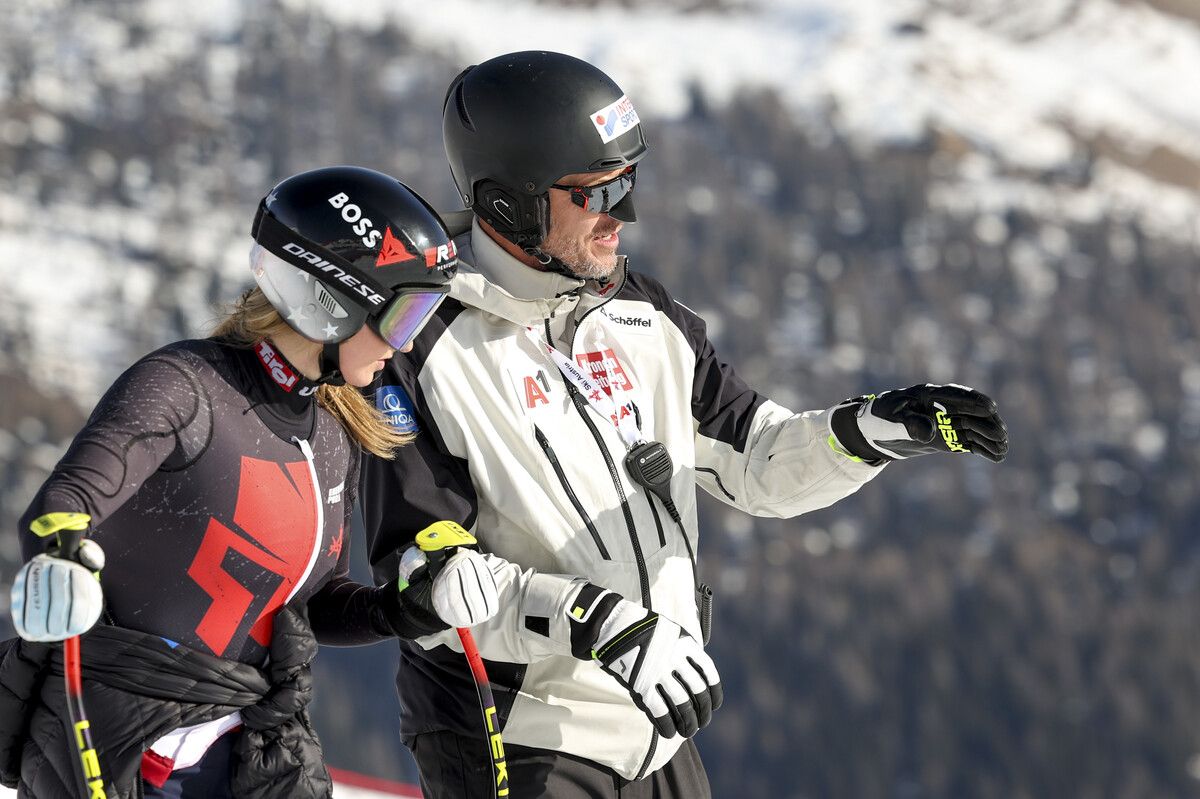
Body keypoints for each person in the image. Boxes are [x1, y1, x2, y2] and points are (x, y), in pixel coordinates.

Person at [359, 51, 1010, 798]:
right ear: (509, 204)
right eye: (598, 189)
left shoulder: (642, 316)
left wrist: (874, 430)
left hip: (656, 723)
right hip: (520, 734)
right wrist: (606, 625)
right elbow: (434, 585)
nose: (624, 211)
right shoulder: (420, 345)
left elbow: (757, 456)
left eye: (629, 178)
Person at [0, 166, 500, 799]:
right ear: (331, 304)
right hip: (121, 749)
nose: (402, 349)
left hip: (252, 753)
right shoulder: (186, 386)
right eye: (403, 319)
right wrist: (56, 557)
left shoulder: (332, 431)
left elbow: (309, 607)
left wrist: (406, 607)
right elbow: (67, 502)